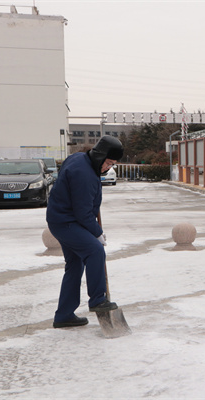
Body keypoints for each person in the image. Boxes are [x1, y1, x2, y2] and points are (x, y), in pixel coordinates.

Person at [46, 136, 124, 328]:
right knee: (95, 251)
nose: (109, 168)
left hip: (62, 218)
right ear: (100, 156)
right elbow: (83, 212)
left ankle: (64, 315)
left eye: (112, 164)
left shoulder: (80, 159)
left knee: (75, 264)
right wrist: (97, 233)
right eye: (108, 163)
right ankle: (98, 300)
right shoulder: (84, 174)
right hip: (66, 222)